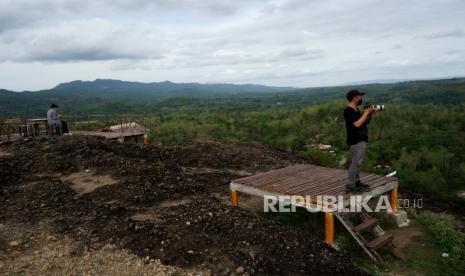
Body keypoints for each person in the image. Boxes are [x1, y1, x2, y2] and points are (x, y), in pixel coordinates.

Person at [343, 90, 376, 192]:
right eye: (360, 97)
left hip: (361, 138)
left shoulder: (356, 109)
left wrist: (369, 114)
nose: (361, 99)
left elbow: (363, 122)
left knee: (357, 162)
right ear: (354, 98)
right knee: (356, 162)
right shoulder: (348, 111)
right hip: (356, 140)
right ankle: (350, 185)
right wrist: (366, 112)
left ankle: (356, 181)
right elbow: (357, 124)